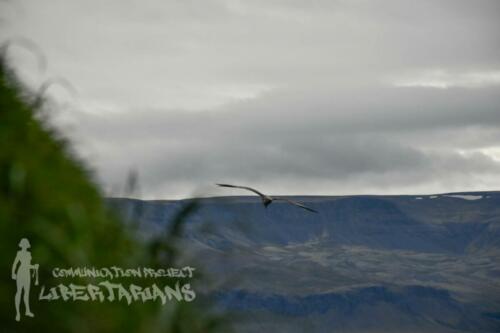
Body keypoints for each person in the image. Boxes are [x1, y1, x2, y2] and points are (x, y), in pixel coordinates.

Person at [11, 238, 38, 322]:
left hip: (27, 273)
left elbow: (28, 265)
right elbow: (15, 263)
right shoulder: (19, 253)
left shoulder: (29, 254)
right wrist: (13, 273)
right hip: (21, 272)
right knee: (19, 291)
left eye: (26, 244)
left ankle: (27, 310)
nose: (25, 246)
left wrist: (34, 267)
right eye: (24, 244)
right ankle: (18, 313)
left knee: (26, 293)